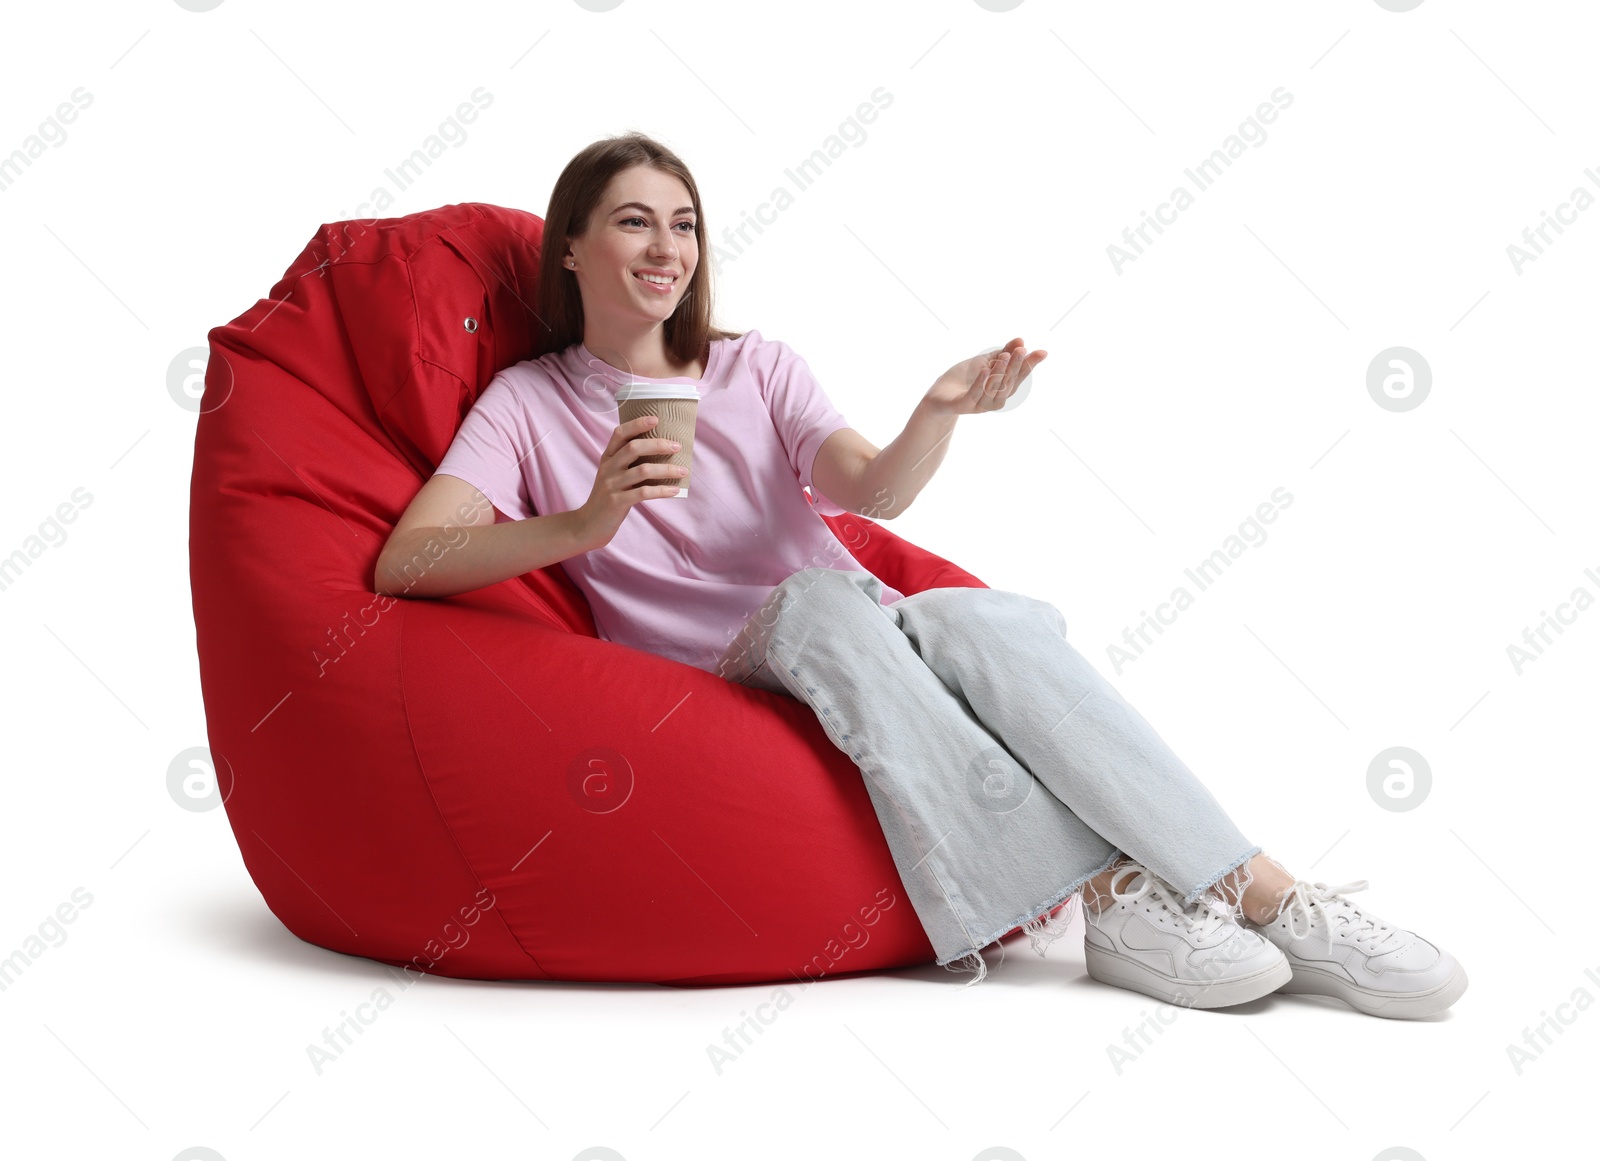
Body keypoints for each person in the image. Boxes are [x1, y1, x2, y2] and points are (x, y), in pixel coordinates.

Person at [375, 132, 1467, 1016]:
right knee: (816, 598)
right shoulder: (526, 404)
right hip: (721, 671)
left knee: (979, 621)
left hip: (851, 630)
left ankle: (1264, 895)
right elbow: (407, 561)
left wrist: (936, 415)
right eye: (632, 221)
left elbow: (873, 494)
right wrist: (585, 520)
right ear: (570, 247)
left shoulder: (757, 367)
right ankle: (1102, 889)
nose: (666, 247)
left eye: (684, 224)